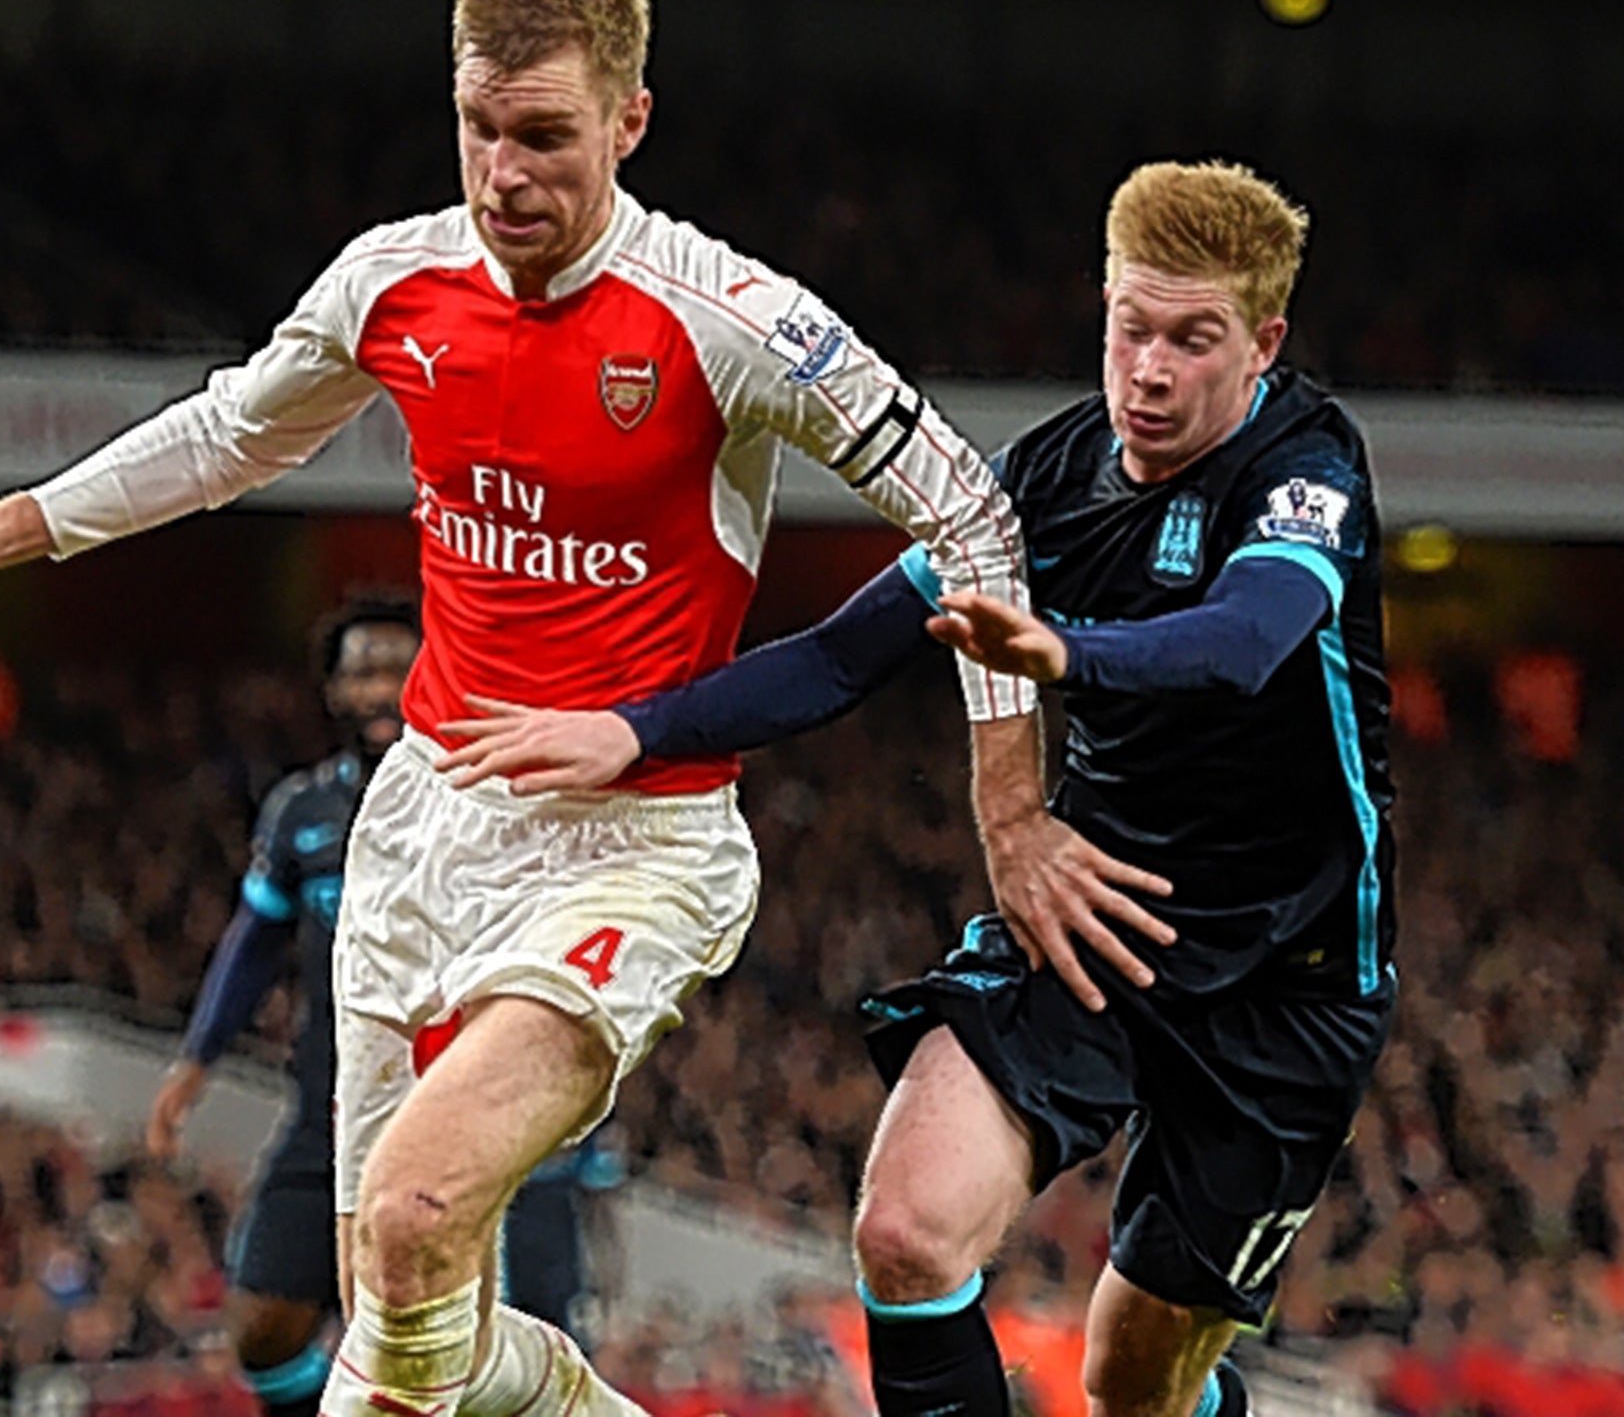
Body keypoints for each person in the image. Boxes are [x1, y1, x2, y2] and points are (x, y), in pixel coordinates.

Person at [0, 0, 1117, 1417]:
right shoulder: (396, 280)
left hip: (635, 842)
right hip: (424, 826)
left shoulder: (732, 319)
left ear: (630, 120)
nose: (504, 172)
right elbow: (230, 433)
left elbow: (976, 511)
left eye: (546, 135)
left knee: (421, 1213)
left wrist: (1008, 803)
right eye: (479, 129)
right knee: (405, 1294)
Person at [438, 160, 1395, 1417]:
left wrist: (1068, 654)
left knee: (1132, 1383)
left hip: (1288, 980)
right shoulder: (1040, 487)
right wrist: (634, 729)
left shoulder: (1303, 471)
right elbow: (843, 653)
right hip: (1089, 911)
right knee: (903, 1233)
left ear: (1261, 341)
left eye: (1190, 340)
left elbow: (1243, 640)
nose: (1149, 371)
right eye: (1129, 329)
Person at [146, 598, 614, 1416]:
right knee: (264, 1327)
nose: (379, 690)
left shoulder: (503, 795)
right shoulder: (304, 812)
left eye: (399, 669)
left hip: (484, 1111)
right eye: (360, 671)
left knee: (503, 1348)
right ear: (332, 688)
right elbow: (255, 943)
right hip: (336, 1110)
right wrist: (196, 1061)